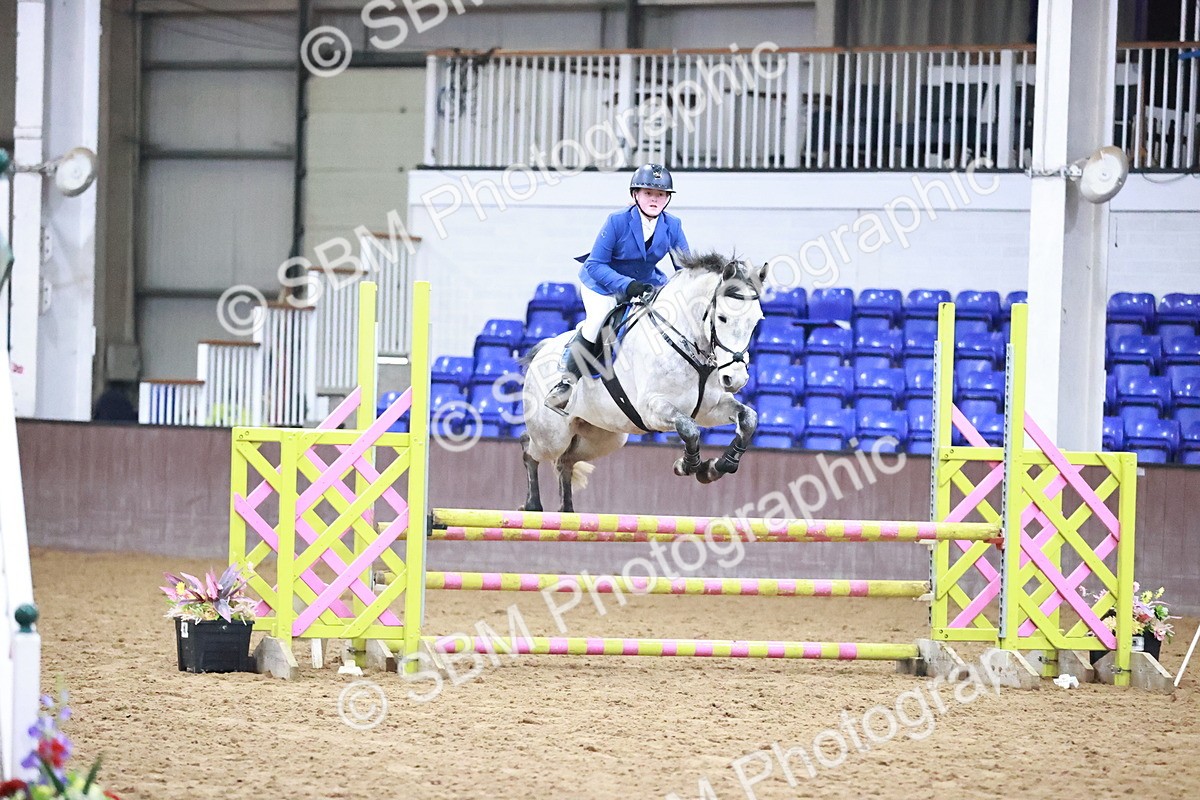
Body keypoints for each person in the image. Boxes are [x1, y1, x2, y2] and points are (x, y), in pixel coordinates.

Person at [544, 163, 691, 415]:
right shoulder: (617, 221)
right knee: (597, 321)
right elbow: (595, 264)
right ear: (635, 195)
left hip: (645, 284)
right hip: (602, 284)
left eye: (660, 195)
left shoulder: (673, 225)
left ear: (667, 199)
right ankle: (566, 383)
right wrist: (626, 286)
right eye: (648, 193)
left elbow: (685, 267)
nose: (654, 199)